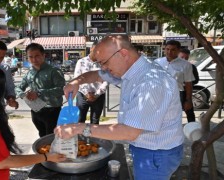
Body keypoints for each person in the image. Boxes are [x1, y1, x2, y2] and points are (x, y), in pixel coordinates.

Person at [54, 35, 184, 180]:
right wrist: (76, 81)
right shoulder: (131, 68)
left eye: (104, 62)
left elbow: (129, 131)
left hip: (156, 153)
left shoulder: (151, 82)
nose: (103, 68)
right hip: (145, 147)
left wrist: (79, 128)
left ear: (123, 54)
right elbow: (96, 75)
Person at [15, 43, 66, 137]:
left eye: (37, 56)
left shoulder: (54, 71)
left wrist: (39, 93)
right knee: (41, 136)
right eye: (31, 57)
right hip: (35, 110)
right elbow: (18, 88)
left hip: (52, 110)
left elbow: (62, 90)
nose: (34, 59)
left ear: (43, 55)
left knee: (51, 138)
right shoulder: (29, 73)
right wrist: (23, 95)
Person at [155, 41, 196, 122]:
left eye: (173, 50)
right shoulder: (157, 62)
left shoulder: (186, 65)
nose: (169, 52)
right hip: (159, 93)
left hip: (176, 94)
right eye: (167, 49)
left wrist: (188, 100)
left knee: (174, 118)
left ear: (178, 50)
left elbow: (188, 83)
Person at [74, 44, 108, 124]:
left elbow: (107, 80)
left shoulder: (104, 63)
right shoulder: (81, 62)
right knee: (80, 120)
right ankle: (81, 136)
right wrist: (86, 93)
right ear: (91, 49)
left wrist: (97, 94)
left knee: (95, 121)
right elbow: (77, 78)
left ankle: (92, 136)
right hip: (82, 95)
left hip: (99, 96)